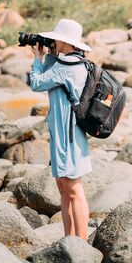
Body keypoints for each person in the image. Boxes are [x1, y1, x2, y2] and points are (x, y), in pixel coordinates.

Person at [28, 18, 92, 240]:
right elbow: (49, 76)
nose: (52, 41)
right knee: (64, 189)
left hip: (68, 135)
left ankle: (81, 244)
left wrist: (37, 59)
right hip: (65, 134)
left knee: (73, 189)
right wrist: (48, 57)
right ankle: (70, 239)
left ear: (64, 41)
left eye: (56, 39)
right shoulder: (73, 62)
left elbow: (37, 83)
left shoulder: (68, 67)